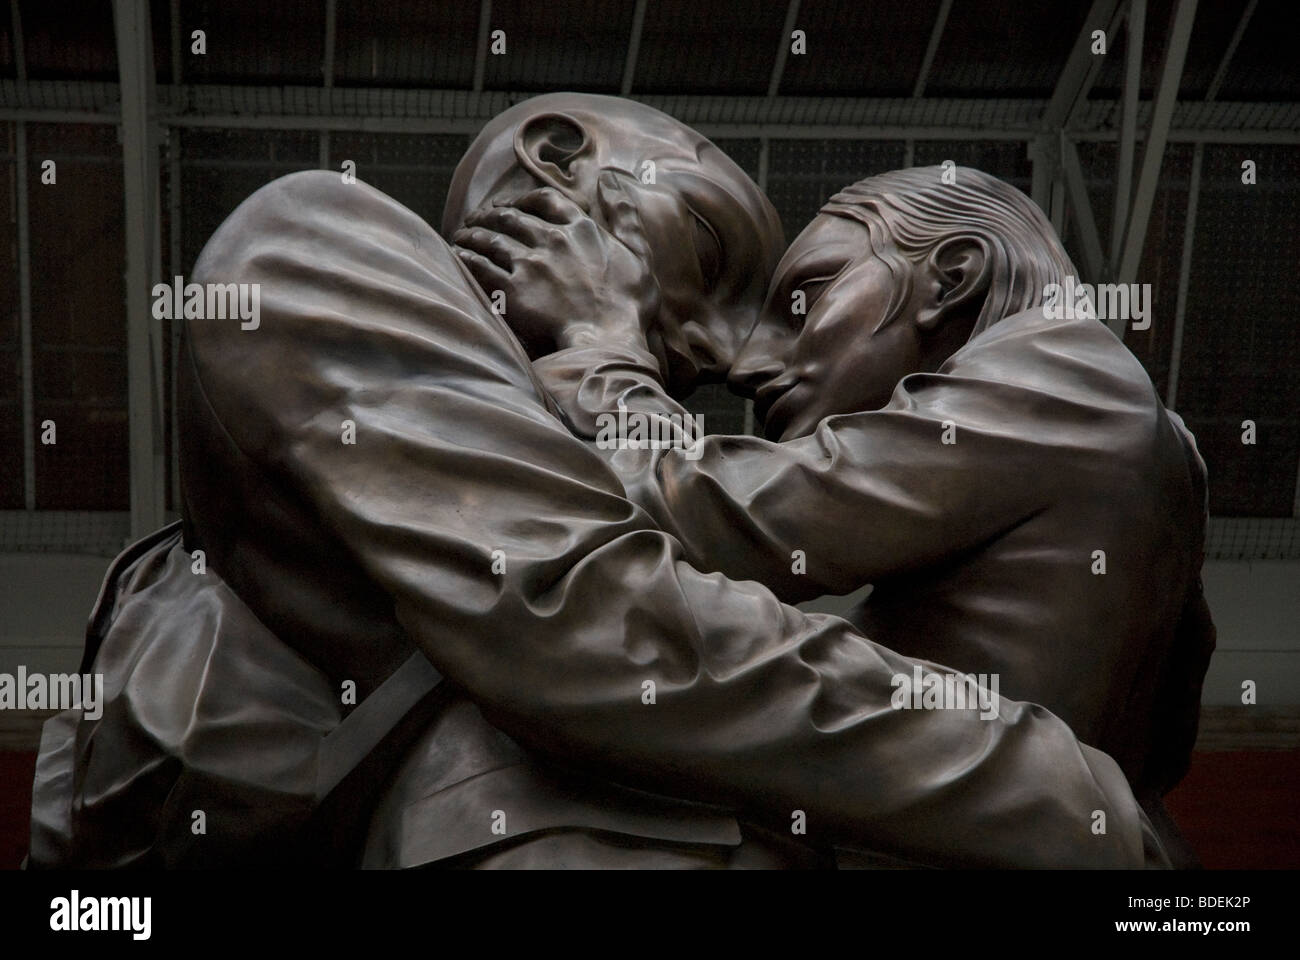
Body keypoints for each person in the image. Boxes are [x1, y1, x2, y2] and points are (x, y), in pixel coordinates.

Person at [29, 101, 1163, 870]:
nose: (727, 355)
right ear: (558, 159)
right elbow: (605, 619)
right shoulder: (324, 242)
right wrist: (1050, 783)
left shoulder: (1060, 397)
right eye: (716, 261)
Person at [462, 165, 1214, 866]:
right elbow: (1166, 743)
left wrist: (603, 342)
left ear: (953, 276)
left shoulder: (1060, 375)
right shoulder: (1162, 441)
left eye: (805, 298)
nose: (753, 366)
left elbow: (687, 515)